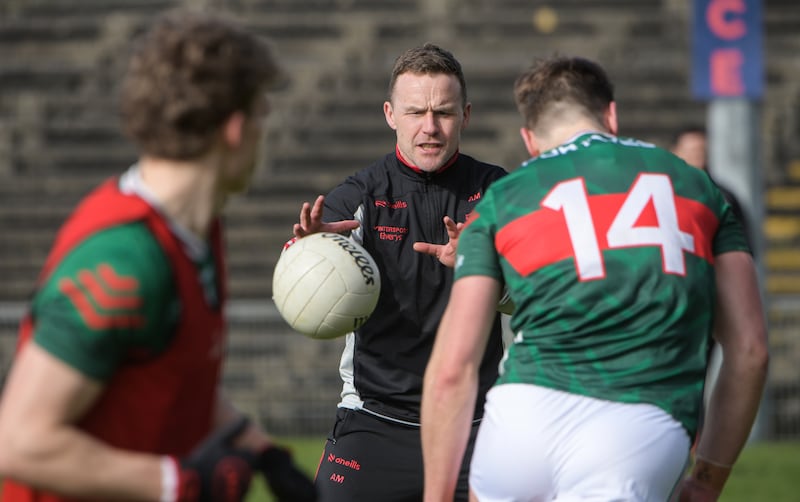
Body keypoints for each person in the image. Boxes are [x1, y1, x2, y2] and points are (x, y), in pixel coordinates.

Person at [0, 10, 316, 502]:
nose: (261, 132)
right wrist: (178, 483)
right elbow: (20, 443)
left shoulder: (198, 229)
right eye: (260, 116)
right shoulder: (125, 260)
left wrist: (257, 447)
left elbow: (176, 374)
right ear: (234, 129)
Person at [421, 56, 769, 502]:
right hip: (635, 425)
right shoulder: (698, 185)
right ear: (611, 116)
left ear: (530, 139)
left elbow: (452, 368)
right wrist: (706, 481)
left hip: (520, 420)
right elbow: (750, 350)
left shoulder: (503, 197)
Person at [289, 43, 509, 501]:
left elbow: (540, 294)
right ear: (390, 114)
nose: (430, 127)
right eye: (415, 112)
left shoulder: (499, 195)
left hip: (477, 426)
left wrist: (482, 267)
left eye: (443, 112)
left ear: (465, 114)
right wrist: (309, 252)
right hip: (375, 422)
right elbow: (299, 277)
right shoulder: (358, 197)